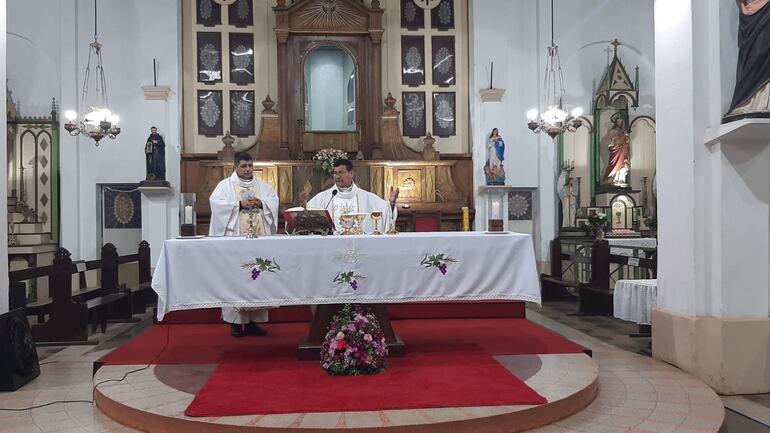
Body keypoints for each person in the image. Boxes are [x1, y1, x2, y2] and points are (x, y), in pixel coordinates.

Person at [209, 152, 279, 337]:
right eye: (243, 166)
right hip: (235, 243)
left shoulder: (262, 186)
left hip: (258, 244)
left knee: (256, 277)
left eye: (250, 165)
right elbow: (217, 206)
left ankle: (252, 323)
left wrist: (262, 203)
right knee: (235, 278)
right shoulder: (224, 186)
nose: (248, 169)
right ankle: (234, 322)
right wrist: (239, 204)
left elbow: (274, 202)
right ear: (235, 167)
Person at [298, 159, 399, 233]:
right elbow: (308, 215)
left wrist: (391, 202)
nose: (337, 177)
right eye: (335, 173)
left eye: (341, 173)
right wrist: (304, 204)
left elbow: (385, 210)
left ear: (351, 173)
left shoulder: (366, 197)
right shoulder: (323, 198)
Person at [724, 0, 770, 121]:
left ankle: (763, 102)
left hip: (767, 11)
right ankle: (747, 102)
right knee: (754, 56)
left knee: (764, 53)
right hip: (750, 12)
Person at [600, 113, 630, 187]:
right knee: (613, 165)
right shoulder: (612, 131)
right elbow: (609, 142)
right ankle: (611, 179)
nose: (620, 122)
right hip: (615, 151)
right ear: (616, 122)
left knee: (622, 165)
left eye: (621, 121)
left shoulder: (623, 131)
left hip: (622, 151)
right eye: (618, 121)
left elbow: (627, 142)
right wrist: (620, 136)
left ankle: (620, 180)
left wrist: (626, 137)